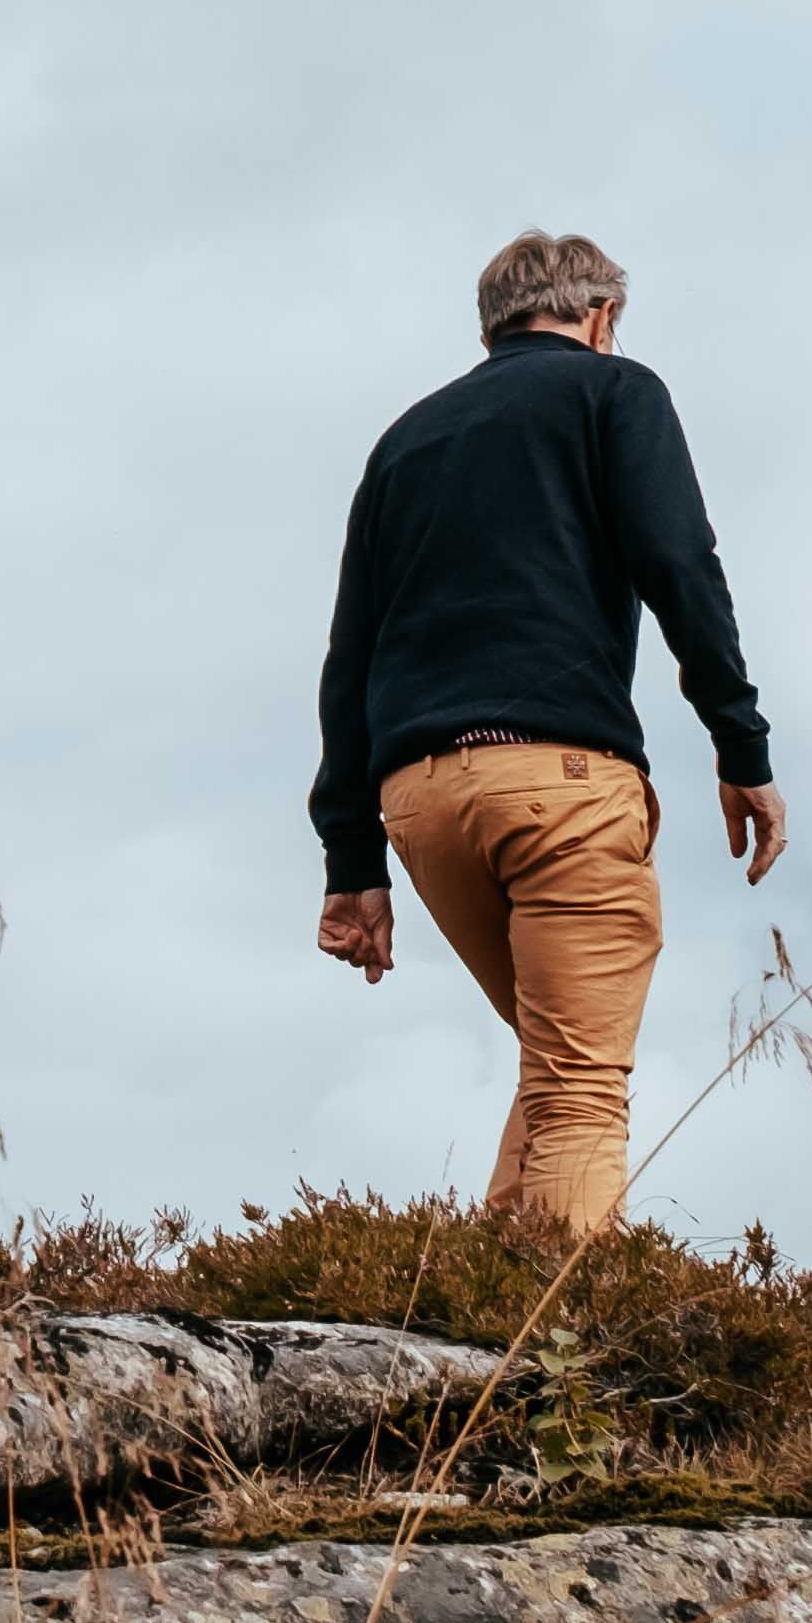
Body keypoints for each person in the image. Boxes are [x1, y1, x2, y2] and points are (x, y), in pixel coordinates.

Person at [309, 228, 785, 1239]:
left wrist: (352, 862)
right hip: (559, 784)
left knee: (553, 1062)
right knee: (582, 1088)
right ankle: (572, 1331)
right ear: (601, 318)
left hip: (419, 804)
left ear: (492, 328)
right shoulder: (615, 392)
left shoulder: (404, 442)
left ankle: (488, 1314)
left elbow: (349, 655)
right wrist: (740, 747)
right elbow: (680, 565)